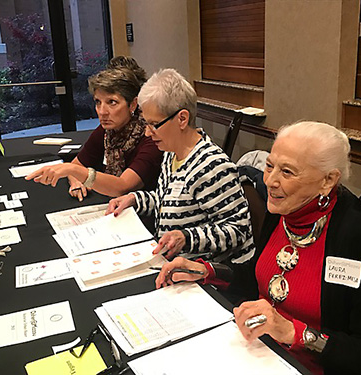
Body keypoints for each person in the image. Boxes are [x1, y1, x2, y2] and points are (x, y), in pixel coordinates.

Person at [155, 121, 361, 375]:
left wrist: (293, 332)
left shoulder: (359, 236)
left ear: (328, 180)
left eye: (287, 172)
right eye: (270, 166)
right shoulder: (284, 210)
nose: (270, 181)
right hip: (258, 353)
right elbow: (259, 276)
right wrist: (207, 270)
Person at [106, 68, 255, 261]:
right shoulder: (171, 153)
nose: (147, 133)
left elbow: (238, 229)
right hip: (172, 261)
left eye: (154, 124)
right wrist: (135, 199)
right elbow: (166, 200)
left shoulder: (211, 165)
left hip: (205, 273)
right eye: (146, 124)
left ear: (182, 119)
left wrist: (186, 238)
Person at [25, 57, 162, 201]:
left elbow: (122, 186)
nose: (102, 112)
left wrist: (75, 172)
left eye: (112, 102)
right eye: (98, 102)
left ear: (133, 104)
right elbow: (77, 164)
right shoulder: (107, 131)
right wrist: (76, 181)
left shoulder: (151, 135)